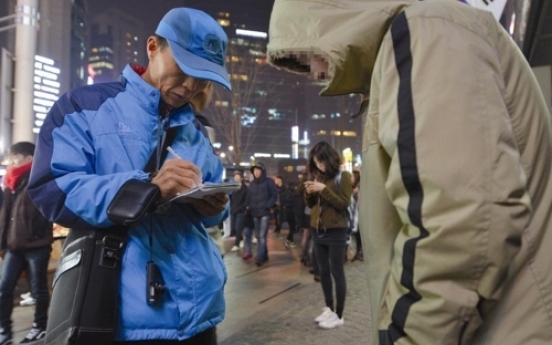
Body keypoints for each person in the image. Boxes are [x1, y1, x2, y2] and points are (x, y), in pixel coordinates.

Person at [267, 0, 552, 344]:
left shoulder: (427, 31)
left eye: (306, 53)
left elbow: (465, 222)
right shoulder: (409, 47)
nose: (313, 72)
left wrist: (408, 337)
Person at [28, 7, 232, 345]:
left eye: (203, 77)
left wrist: (215, 207)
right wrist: (147, 188)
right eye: (183, 68)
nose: (190, 86)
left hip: (201, 314)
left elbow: (216, 203)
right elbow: (54, 190)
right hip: (122, 318)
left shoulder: (195, 131)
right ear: (153, 47)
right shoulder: (82, 107)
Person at [0, 142, 53, 345]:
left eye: (15, 158)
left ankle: (39, 327)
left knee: (38, 289)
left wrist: (36, 234)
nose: (11, 162)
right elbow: (6, 216)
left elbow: (47, 209)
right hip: (14, 246)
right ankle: (5, 331)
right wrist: (4, 243)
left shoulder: (39, 179)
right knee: (4, 289)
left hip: (36, 244)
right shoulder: (10, 183)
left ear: (29, 159)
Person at [304, 141, 352, 330]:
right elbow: (311, 206)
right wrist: (309, 193)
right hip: (318, 230)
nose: (320, 166)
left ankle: (339, 314)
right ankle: (329, 308)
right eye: (316, 163)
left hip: (337, 230)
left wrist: (324, 190)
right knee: (322, 271)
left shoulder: (344, 176)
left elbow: (343, 203)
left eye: (322, 162)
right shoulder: (318, 177)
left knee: (337, 271)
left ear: (330, 159)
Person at [245, 162, 277, 266]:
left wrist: (268, 205)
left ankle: (259, 257)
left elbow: (274, 195)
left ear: (262, 171)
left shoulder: (269, 182)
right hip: (254, 213)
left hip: (264, 213)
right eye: (254, 170)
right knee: (258, 236)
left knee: (262, 236)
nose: (256, 172)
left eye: (258, 170)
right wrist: (248, 205)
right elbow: (249, 197)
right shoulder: (252, 184)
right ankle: (264, 254)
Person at [230, 171, 248, 251]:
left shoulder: (245, 188)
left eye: (238, 176)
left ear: (241, 178)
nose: (236, 178)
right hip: (233, 210)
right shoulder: (234, 188)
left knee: (238, 227)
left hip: (240, 211)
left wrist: (243, 207)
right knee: (233, 228)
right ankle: (241, 238)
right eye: (235, 177)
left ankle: (236, 244)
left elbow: (246, 199)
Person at [349, 170, 362, 262]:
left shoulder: (359, 187)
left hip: (360, 213)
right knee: (357, 235)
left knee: (360, 234)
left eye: (353, 176)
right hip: (355, 213)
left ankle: (360, 252)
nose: (351, 178)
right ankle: (358, 252)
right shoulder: (354, 187)